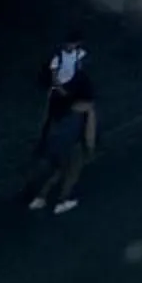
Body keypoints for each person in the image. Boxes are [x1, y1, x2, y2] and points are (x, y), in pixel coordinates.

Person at [26, 85, 96, 214]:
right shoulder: (85, 110)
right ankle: (63, 200)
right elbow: (89, 132)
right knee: (72, 174)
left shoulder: (58, 106)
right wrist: (90, 149)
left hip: (55, 144)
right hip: (73, 145)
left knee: (57, 171)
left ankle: (40, 197)